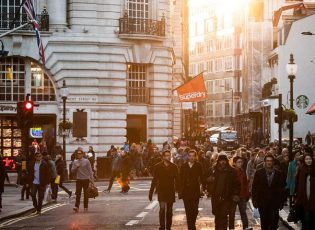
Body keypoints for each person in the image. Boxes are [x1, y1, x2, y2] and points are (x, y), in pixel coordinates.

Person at [252, 154, 286, 230]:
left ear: (273, 162)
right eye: (267, 161)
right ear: (264, 162)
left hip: (274, 202)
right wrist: (254, 200)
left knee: (274, 222)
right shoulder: (259, 173)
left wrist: (282, 202)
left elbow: (282, 189)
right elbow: (255, 187)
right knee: (264, 222)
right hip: (262, 202)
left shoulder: (279, 174)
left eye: (270, 161)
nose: (269, 162)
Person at [206, 153, 240, 230]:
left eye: (224, 160)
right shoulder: (213, 169)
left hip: (226, 198)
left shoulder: (232, 171)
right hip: (215, 197)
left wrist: (235, 194)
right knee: (217, 216)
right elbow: (205, 179)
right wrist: (208, 182)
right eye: (221, 160)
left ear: (226, 161)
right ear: (218, 161)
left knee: (223, 216)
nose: (222, 162)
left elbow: (237, 184)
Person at [149, 149, 179, 230]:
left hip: (170, 191)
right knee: (162, 209)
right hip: (161, 191)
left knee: (169, 211)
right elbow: (154, 180)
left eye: (169, 155)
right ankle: (162, 226)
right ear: (163, 157)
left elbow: (177, 180)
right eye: (166, 155)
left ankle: (168, 227)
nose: (168, 157)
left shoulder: (174, 167)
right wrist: (151, 192)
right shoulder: (158, 166)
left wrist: (179, 192)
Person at [179, 149, 204, 230]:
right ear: (188, 157)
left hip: (195, 191)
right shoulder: (183, 166)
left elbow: (202, 177)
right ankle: (191, 226)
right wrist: (180, 190)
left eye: (193, 156)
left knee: (195, 209)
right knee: (188, 210)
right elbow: (180, 178)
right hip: (186, 191)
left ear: (195, 157)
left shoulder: (198, 165)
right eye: (190, 156)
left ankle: (192, 224)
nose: (192, 158)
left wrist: (203, 187)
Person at [229, 156, 250, 230]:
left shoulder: (242, 171)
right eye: (238, 162)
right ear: (234, 163)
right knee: (232, 213)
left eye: (241, 162)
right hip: (234, 196)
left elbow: (245, 184)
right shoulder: (231, 171)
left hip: (242, 195)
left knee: (243, 212)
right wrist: (232, 195)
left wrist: (247, 194)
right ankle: (231, 228)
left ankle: (246, 227)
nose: (240, 163)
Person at [295, 153, 315, 229]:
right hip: (303, 197)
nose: (308, 161)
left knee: (312, 218)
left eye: (310, 159)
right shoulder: (301, 169)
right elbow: (297, 183)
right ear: (304, 160)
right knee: (304, 218)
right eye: (306, 159)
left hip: (313, 197)